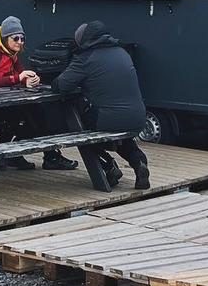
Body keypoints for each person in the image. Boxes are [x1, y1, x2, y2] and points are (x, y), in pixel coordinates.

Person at [52, 20, 151, 189]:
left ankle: (108, 165)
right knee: (122, 134)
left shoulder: (85, 58)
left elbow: (61, 86)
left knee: (78, 129)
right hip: (138, 116)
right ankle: (139, 163)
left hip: (108, 118)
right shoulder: (122, 52)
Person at [0, 15, 77, 171]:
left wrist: (29, 79)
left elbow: (19, 74)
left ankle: (43, 156)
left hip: (4, 100)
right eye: (16, 38)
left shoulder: (10, 52)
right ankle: (9, 155)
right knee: (28, 116)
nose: (20, 42)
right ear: (6, 37)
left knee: (38, 113)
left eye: (22, 38)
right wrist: (17, 78)